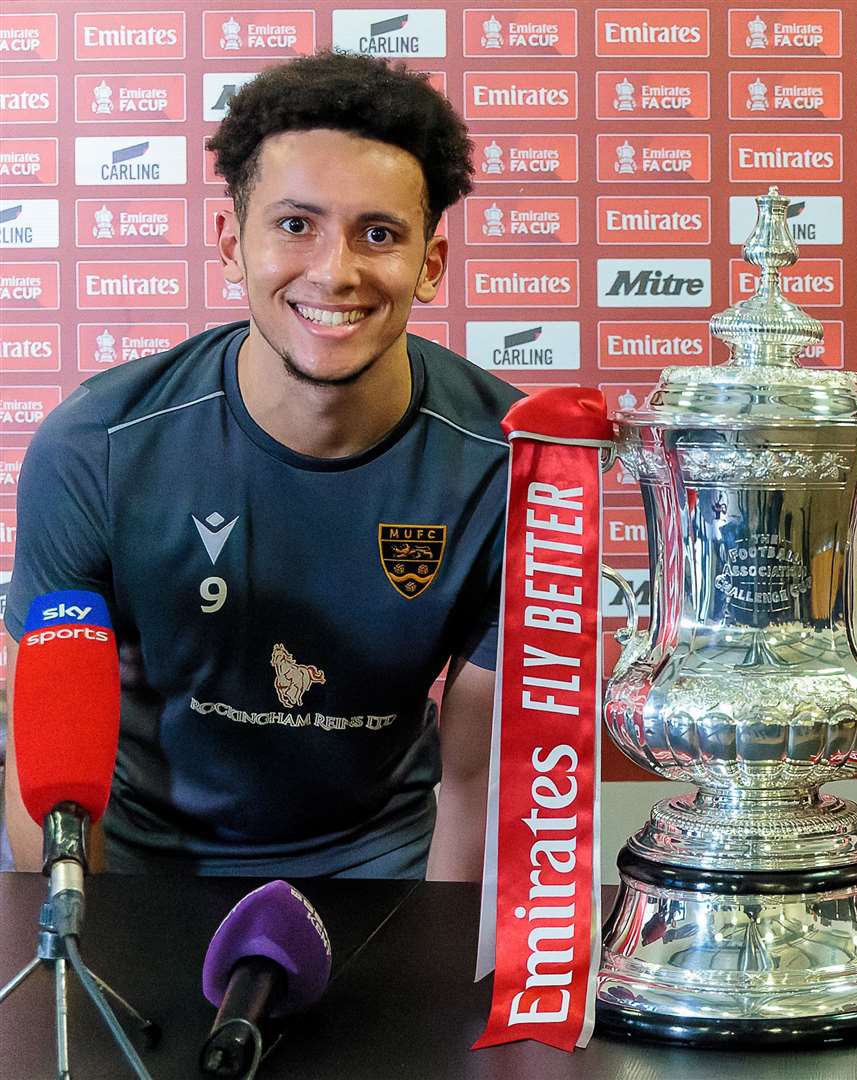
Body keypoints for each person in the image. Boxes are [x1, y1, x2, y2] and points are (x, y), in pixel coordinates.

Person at [4, 52, 523, 880]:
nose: (334, 270)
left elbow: (478, 775)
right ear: (230, 242)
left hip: (379, 865)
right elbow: (51, 764)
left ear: (429, 264)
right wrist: (88, 953)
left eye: (378, 234)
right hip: (139, 866)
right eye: (294, 225)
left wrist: (445, 973)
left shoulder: (511, 466)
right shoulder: (96, 443)